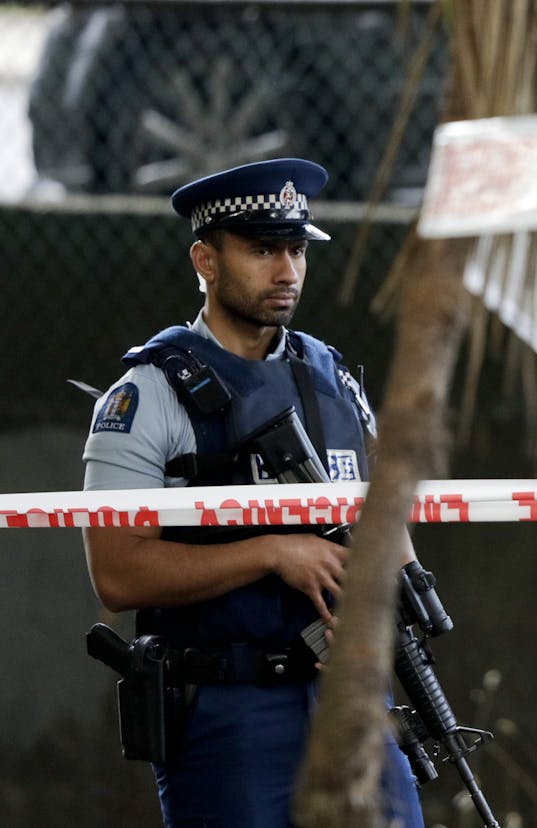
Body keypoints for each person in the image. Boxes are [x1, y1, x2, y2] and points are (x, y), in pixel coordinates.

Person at [81, 158, 424, 827]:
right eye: (263, 250)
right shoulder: (148, 394)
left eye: (296, 250)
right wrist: (271, 553)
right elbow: (116, 573)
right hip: (226, 711)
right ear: (205, 260)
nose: (287, 271)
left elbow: (388, 528)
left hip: (345, 697)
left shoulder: (336, 381)